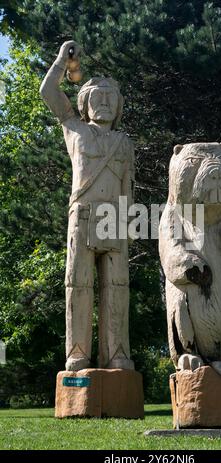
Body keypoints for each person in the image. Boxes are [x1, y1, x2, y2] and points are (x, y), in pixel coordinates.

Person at [40, 41, 135, 371]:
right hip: (82, 216)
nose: (105, 103)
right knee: (78, 285)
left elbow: (129, 187)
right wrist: (61, 62)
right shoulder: (74, 128)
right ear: (85, 103)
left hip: (116, 219)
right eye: (98, 97)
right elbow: (48, 93)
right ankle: (77, 352)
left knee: (118, 288)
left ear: (120, 106)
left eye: (111, 98)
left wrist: (131, 227)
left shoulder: (124, 143)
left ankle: (118, 353)